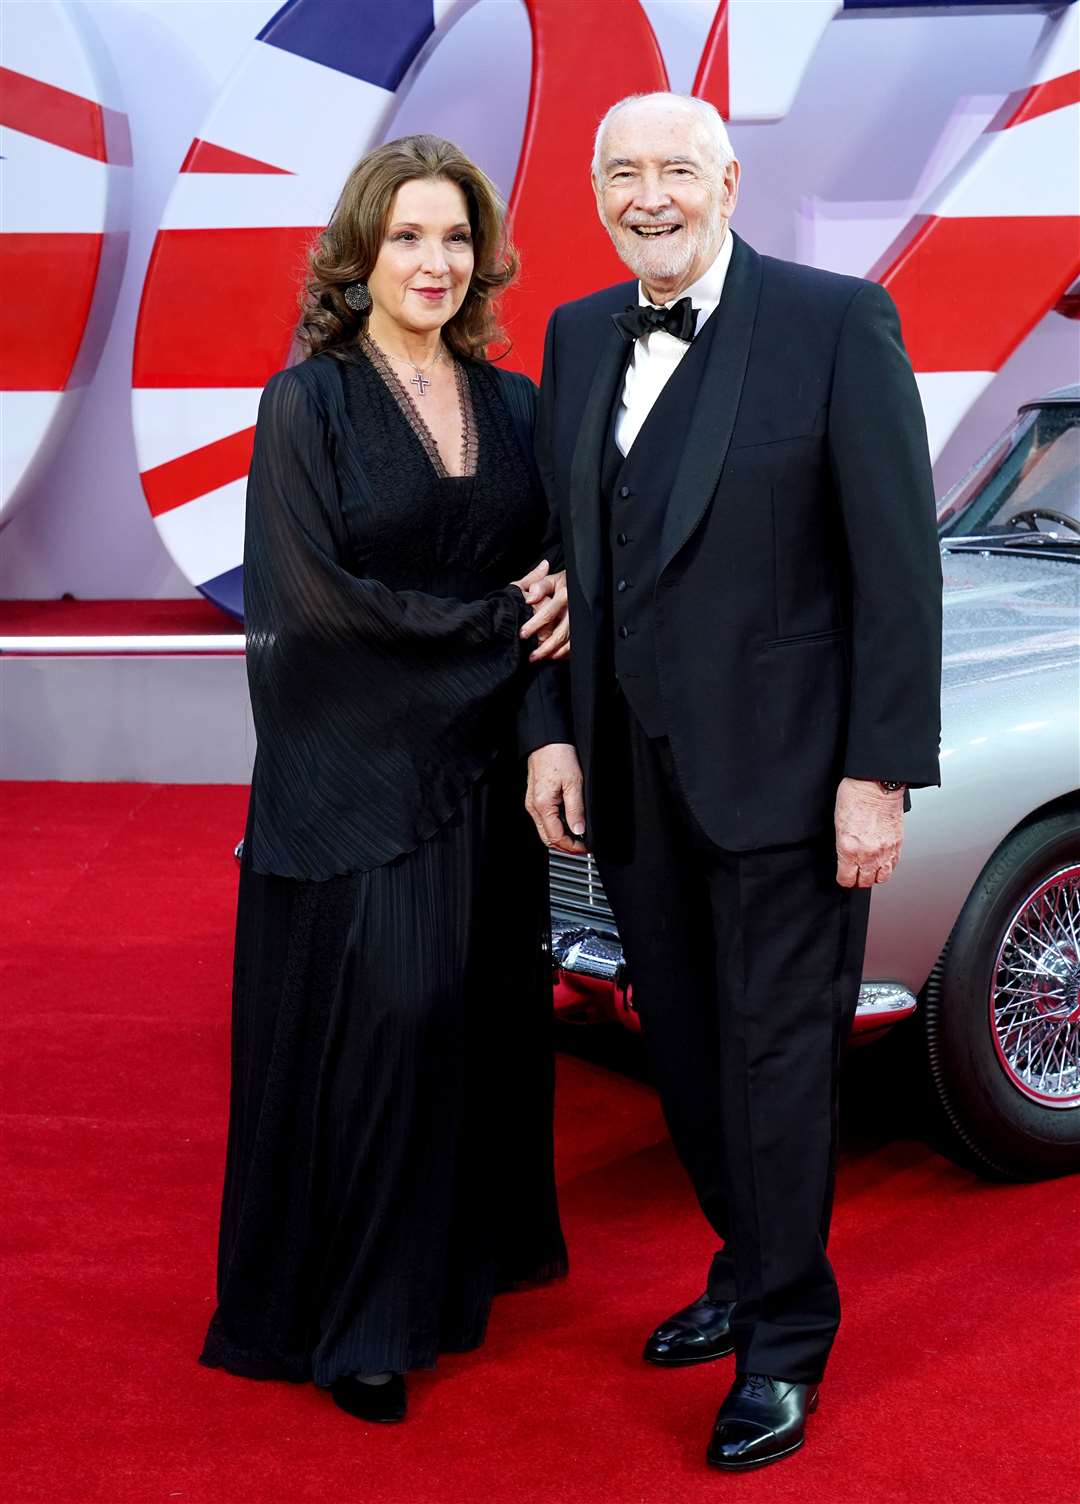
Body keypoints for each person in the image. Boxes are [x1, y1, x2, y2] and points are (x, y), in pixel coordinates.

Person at [521, 93, 942, 1470]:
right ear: (593, 188)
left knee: (775, 1065)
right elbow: (554, 569)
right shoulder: (579, 335)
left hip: (788, 776)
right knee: (688, 1058)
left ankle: (783, 1339)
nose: (650, 195)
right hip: (630, 781)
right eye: (621, 171)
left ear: (729, 180)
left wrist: (876, 775)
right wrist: (552, 731)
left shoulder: (836, 323)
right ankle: (745, 1258)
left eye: (677, 171)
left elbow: (896, 570)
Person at [200, 134, 569, 1425]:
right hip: (358, 777)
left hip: (484, 781)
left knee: (467, 1032)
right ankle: (353, 1321)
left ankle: (441, 1287)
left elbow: (555, 587)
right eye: (408, 236)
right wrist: (496, 626)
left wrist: (545, 664)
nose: (435, 261)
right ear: (358, 254)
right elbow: (308, 610)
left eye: (457, 238)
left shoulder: (518, 404)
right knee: (383, 1033)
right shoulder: (309, 403)